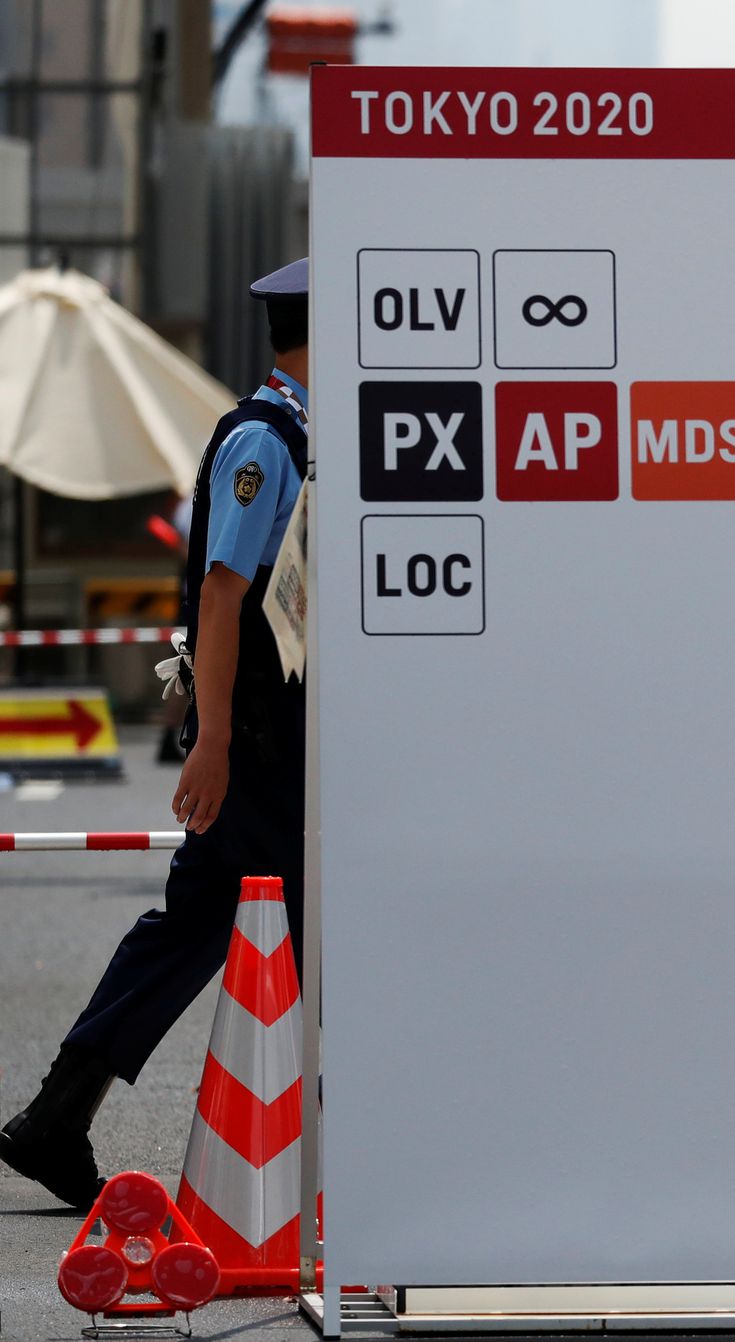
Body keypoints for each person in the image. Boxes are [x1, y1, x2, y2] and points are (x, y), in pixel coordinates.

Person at [0, 258, 312, 1208]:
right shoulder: (265, 441)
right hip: (260, 747)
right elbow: (221, 595)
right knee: (284, 933)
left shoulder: (299, 433)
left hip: (271, 742)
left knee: (190, 932)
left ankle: (56, 1117)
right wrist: (212, 738)